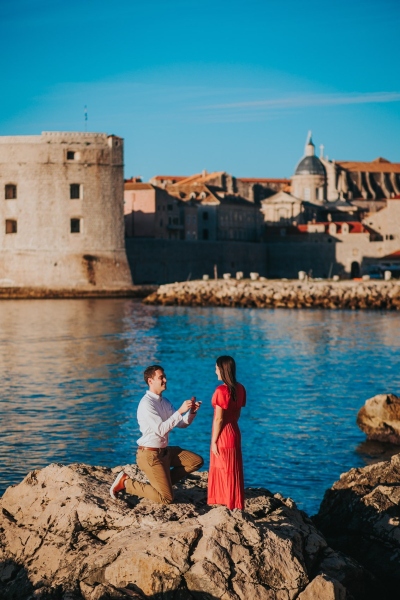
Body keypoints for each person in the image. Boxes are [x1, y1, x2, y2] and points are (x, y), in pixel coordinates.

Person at [110, 364, 203, 504]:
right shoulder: (146, 404)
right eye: (161, 377)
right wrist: (180, 411)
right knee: (166, 498)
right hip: (150, 455)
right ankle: (126, 483)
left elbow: (182, 424)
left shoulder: (164, 402)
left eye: (164, 377)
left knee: (196, 461)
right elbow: (161, 429)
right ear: (150, 381)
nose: (165, 380)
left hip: (165, 452)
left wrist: (192, 412)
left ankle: (163, 484)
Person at [207, 355, 246, 510]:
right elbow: (236, 415)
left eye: (216, 368)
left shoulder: (221, 390)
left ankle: (223, 502)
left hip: (223, 435)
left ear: (222, 369)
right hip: (234, 432)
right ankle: (234, 503)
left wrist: (214, 441)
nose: (215, 370)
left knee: (222, 470)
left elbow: (219, 419)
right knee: (233, 470)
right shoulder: (240, 388)